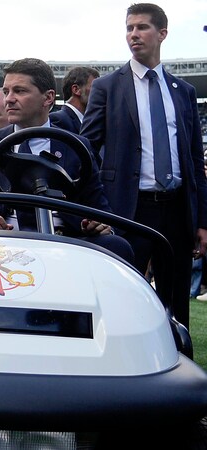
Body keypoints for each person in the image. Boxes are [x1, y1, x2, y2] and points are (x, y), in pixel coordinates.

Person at [81, 3, 207, 329]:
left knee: (176, 303)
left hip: (178, 211)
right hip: (127, 211)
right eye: (128, 28)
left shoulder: (184, 92)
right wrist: (96, 208)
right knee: (122, 299)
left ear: (162, 33)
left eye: (141, 27)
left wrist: (202, 222)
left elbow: (194, 161)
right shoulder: (108, 87)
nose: (133, 34)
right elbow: (86, 151)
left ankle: (181, 368)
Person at [0, 58, 132, 262]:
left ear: (48, 98)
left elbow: (100, 209)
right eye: (6, 92)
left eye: (20, 91)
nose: (9, 99)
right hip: (3, 243)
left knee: (118, 247)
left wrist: (97, 224)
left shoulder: (78, 146)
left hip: (66, 242)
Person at [50, 66, 99, 133]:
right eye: (95, 87)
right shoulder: (57, 120)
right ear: (76, 89)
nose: (100, 92)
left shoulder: (89, 122)